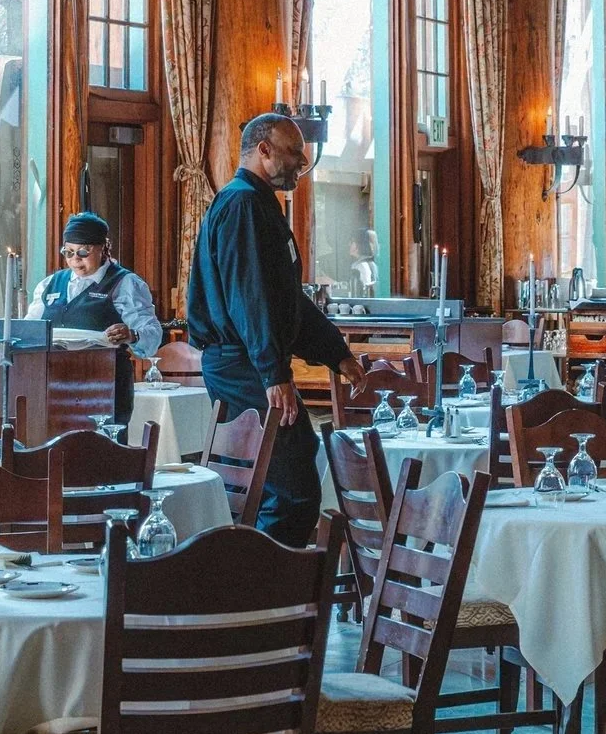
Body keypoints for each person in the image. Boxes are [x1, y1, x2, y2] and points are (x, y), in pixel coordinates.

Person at [187, 113, 366, 545]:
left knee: (279, 483)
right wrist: (273, 373)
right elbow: (251, 298)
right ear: (263, 150)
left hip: (246, 362)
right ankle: (266, 578)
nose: (302, 163)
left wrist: (336, 353)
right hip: (243, 365)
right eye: (293, 152)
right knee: (291, 490)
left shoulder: (258, 203)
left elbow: (286, 298)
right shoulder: (243, 205)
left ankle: (261, 574)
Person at [26, 211, 160, 347]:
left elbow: (152, 334)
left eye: (83, 252)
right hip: (53, 360)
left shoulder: (125, 284)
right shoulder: (49, 284)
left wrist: (132, 335)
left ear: (102, 249)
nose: (75, 259)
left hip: (105, 360)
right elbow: (28, 330)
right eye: (68, 252)